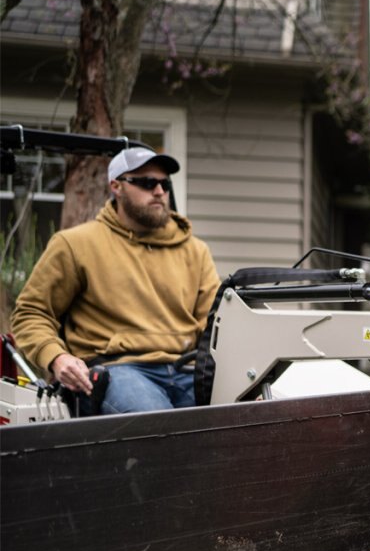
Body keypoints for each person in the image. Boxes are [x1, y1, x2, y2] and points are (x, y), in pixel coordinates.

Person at [12, 146, 220, 415]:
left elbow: (217, 326)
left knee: (251, 418)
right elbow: (31, 312)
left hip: (187, 369)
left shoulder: (195, 250)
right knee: (161, 429)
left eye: (164, 184)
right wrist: (57, 357)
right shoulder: (76, 244)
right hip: (117, 369)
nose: (159, 191)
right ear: (116, 187)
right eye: (146, 182)